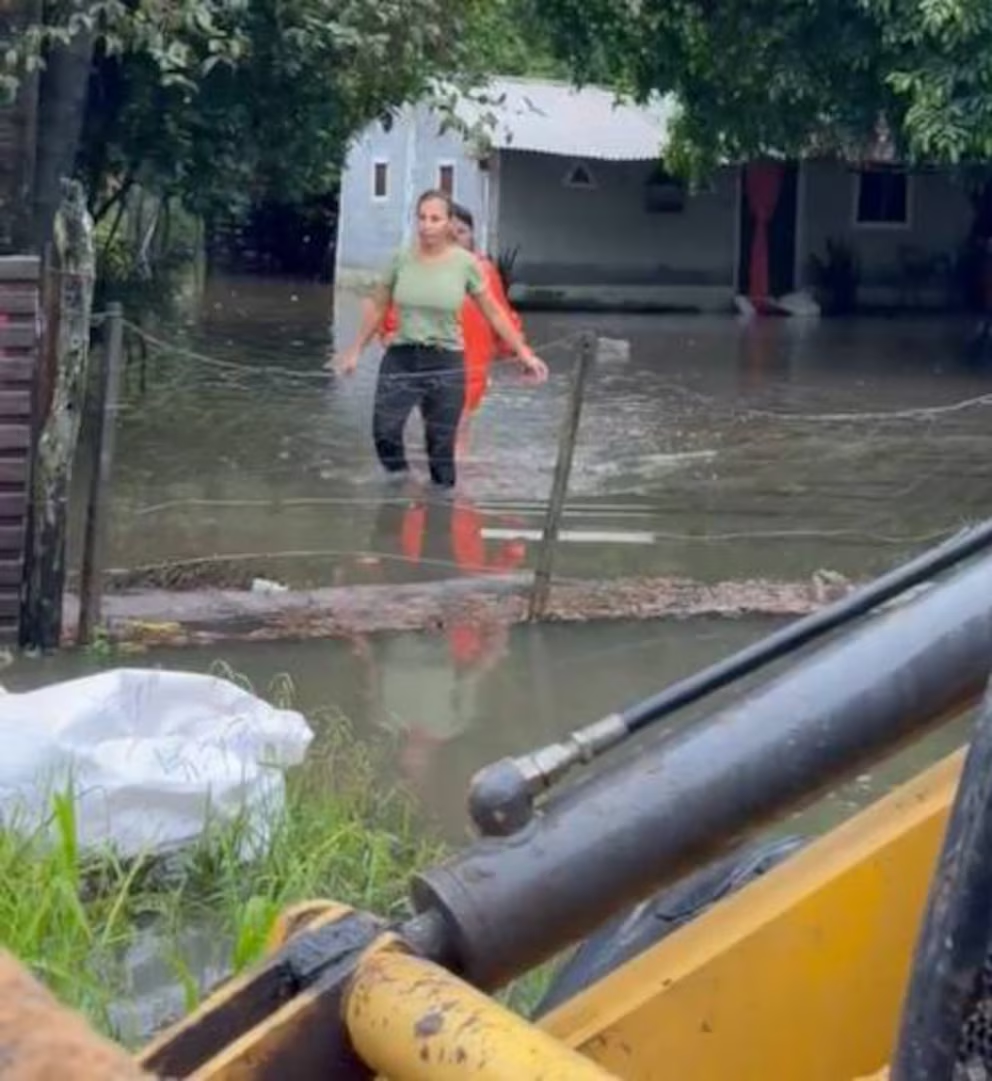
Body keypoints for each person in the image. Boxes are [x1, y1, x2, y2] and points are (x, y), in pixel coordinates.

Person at [329, 189, 547, 489]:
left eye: (435, 219)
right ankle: (399, 491)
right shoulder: (400, 259)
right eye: (422, 218)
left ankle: (442, 515)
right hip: (403, 357)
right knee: (385, 433)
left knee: (441, 446)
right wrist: (355, 350)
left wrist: (523, 353)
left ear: (447, 224)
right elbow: (379, 305)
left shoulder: (468, 265)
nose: (427, 225)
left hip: (447, 360)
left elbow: (496, 314)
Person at [379, 203, 525, 454]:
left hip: (469, 370)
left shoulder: (483, 271)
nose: (455, 236)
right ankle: (441, 488)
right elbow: (391, 319)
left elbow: (502, 318)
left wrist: (519, 353)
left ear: (472, 237)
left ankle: (451, 489)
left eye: (462, 231)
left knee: (454, 432)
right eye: (450, 230)